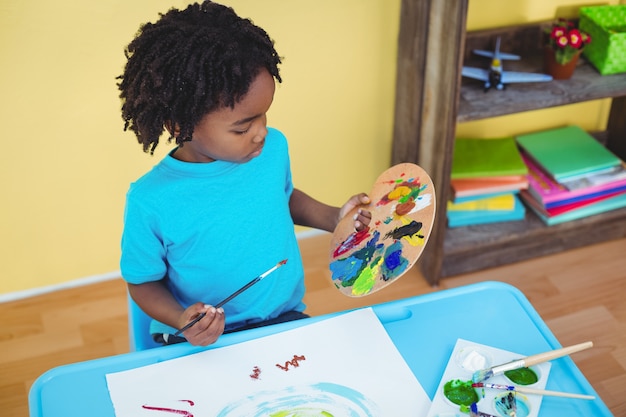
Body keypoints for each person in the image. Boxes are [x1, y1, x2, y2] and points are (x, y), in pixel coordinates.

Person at [117, 1, 371, 347]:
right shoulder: (151, 200)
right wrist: (182, 319)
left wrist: (335, 218)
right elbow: (143, 283)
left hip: (280, 318)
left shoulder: (272, 149)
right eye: (242, 128)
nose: (261, 132)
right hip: (199, 336)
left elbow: (281, 197)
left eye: (264, 115)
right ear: (181, 125)